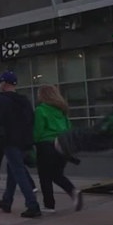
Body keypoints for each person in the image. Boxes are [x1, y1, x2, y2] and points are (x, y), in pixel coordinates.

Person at [0, 71, 41, 218]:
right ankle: (7, 200)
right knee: (12, 169)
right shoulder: (24, 100)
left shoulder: (1, 100)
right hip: (24, 141)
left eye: (1, 82)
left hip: (10, 140)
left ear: (4, 84)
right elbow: (31, 119)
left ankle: (32, 205)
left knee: (18, 172)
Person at [33, 84, 83, 212]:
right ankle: (73, 191)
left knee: (44, 176)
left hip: (46, 145)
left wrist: (33, 142)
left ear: (42, 95)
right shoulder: (62, 110)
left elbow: (38, 131)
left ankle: (49, 205)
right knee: (56, 174)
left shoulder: (41, 110)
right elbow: (69, 128)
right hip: (62, 145)